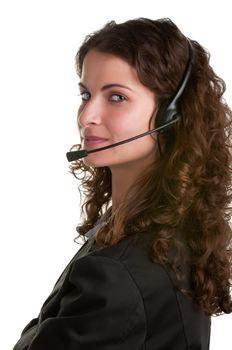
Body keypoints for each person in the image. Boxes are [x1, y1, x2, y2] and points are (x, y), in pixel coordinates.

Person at [13, 17, 232, 350]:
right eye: (86, 94)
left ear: (169, 117)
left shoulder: (117, 276)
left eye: (116, 97)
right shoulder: (168, 227)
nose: (87, 116)